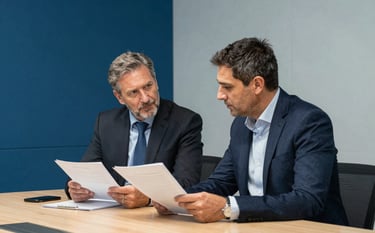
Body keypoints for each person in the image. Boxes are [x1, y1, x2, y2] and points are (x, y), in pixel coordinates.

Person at [154, 37, 348, 225]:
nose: (219, 95)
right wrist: (177, 199)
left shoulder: (309, 122)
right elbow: (221, 182)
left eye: (227, 87)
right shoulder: (241, 125)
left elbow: (307, 200)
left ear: (257, 84)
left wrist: (228, 207)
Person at [66, 51, 203, 208]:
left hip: (157, 217)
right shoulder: (106, 123)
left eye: (148, 86)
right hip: (115, 214)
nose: (145, 98)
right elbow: (85, 172)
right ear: (119, 97)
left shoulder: (185, 122)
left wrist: (148, 199)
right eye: (134, 92)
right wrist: (75, 188)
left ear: (156, 82)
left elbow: (188, 183)